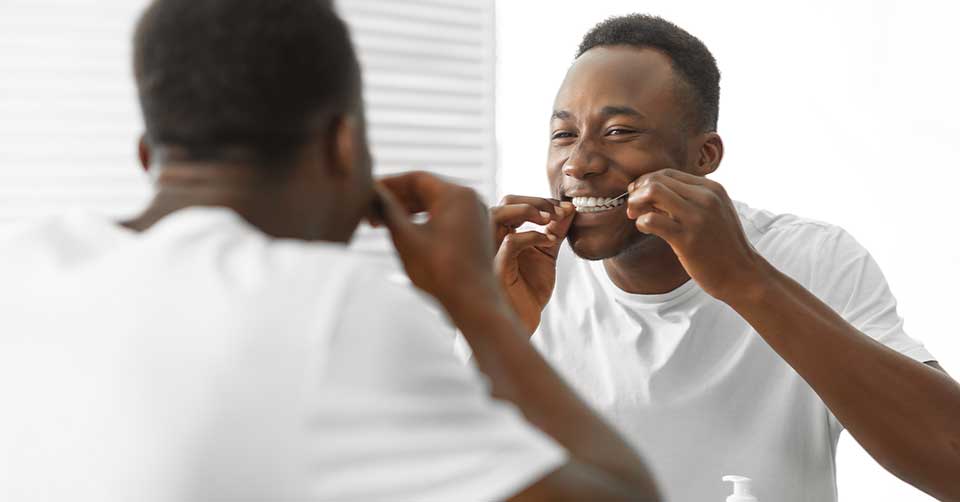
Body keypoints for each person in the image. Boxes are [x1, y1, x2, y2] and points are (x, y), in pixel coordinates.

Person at [0, 1, 664, 500]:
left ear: (151, 155)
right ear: (343, 145)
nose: (581, 161)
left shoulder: (21, 266)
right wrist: (475, 304)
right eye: (562, 134)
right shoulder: (323, 307)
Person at [490, 14, 960, 502]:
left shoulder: (812, 259)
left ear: (704, 157)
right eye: (564, 135)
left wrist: (744, 278)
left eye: (619, 131)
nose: (578, 163)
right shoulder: (525, 278)